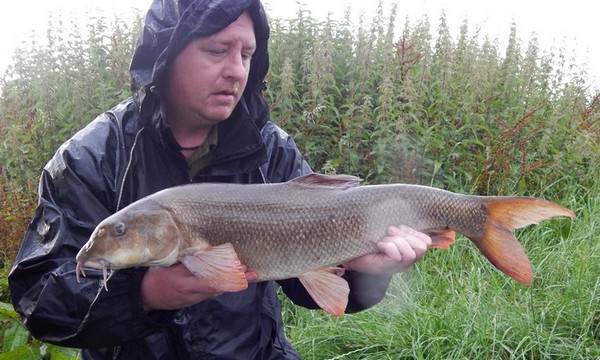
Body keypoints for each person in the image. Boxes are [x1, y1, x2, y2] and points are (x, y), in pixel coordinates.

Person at [8, 0, 432, 359]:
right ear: (167, 56)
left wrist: (367, 271)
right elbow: (42, 303)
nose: (235, 71)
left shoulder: (271, 150)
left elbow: (308, 286)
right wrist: (144, 295)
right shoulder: (91, 157)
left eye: (246, 55)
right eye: (217, 50)